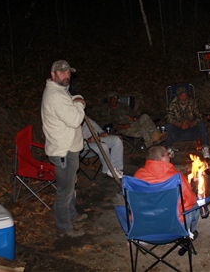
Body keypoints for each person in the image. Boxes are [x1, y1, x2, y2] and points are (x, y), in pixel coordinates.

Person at [41, 60, 87, 238]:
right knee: (65, 190)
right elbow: (75, 119)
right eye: (62, 72)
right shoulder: (55, 96)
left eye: (68, 72)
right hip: (63, 151)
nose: (66, 75)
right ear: (53, 75)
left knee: (70, 185)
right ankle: (64, 227)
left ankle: (72, 215)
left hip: (68, 147)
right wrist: (80, 104)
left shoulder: (60, 91)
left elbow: (71, 104)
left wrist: (76, 100)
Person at [134, 145, 200, 239]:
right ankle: (188, 234)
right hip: (171, 227)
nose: (170, 156)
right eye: (167, 154)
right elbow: (189, 201)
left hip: (145, 226)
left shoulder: (137, 176)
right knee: (194, 205)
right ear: (161, 159)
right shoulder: (176, 178)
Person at [97, 91, 168, 148]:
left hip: (133, 124)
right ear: (109, 99)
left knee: (144, 116)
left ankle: (156, 135)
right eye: (113, 98)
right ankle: (152, 146)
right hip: (123, 129)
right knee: (145, 128)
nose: (115, 100)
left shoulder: (123, 106)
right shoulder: (104, 110)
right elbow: (106, 123)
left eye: (116, 98)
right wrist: (122, 125)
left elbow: (133, 114)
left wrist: (135, 118)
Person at [164, 87, 210, 159]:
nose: (184, 97)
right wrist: (179, 124)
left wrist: (191, 123)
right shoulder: (172, 105)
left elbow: (199, 116)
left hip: (191, 126)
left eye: (185, 95)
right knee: (168, 126)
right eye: (181, 96)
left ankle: (205, 147)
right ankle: (169, 149)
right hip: (178, 127)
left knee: (201, 124)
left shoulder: (193, 103)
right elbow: (168, 118)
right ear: (178, 96)